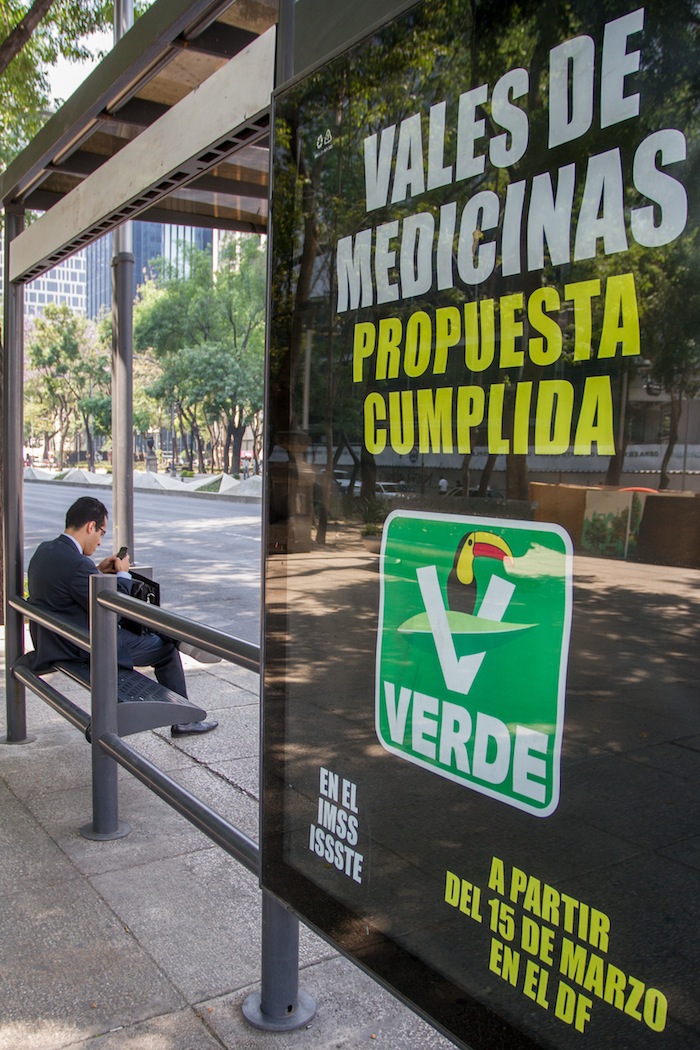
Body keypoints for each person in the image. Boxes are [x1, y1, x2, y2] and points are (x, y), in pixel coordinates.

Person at [27, 496, 217, 736]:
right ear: (90, 527)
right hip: (80, 647)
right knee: (165, 651)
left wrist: (97, 571)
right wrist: (123, 575)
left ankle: (178, 638)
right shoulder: (77, 564)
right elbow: (115, 609)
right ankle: (185, 716)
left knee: (154, 632)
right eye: (102, 533)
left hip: (56, 639)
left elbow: (67, 589)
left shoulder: (46, 550)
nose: (98, 542)